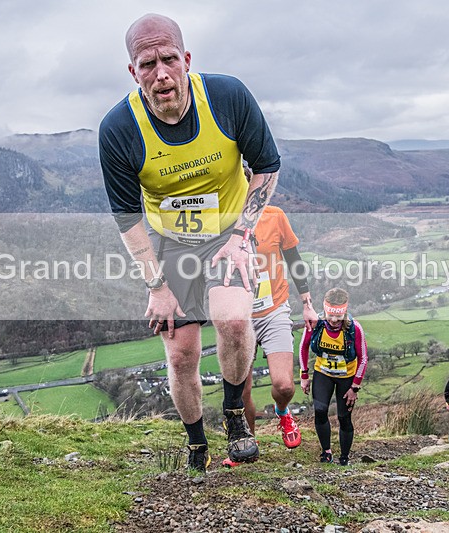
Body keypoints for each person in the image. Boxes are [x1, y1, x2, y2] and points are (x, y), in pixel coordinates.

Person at [99, 13, 280, 474]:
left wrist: (243, 236)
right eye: (146, 64)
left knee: (235, 321)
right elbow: (127, 217)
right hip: (172, 243)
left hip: (228, 236)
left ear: (186, 60)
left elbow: (267, 168)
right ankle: (197, 442)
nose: (160, 73)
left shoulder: (226, 96)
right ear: (133, 71)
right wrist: (156, 286)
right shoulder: (119, 129)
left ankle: (236, 413)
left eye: (168, 59)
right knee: (181, 355)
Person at [237, 203, 318, 458]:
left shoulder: (274, 215)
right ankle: (248, 444)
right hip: (240, 317)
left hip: (274, 311)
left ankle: (282, 413)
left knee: (284, 386)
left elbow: (293, 259)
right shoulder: (220, 217)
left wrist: (307, 304)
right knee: (243, 391)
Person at [299, 288, 368, 466]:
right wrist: (304, 375)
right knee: (320, 411)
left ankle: (344, 457)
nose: (335, 320)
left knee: (344, 417)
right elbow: (303, 347)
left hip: (347, 378)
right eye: (330, 315)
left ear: (345, 311)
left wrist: (355, 387)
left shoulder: (354, 328)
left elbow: (363, 358)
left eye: (339, 316)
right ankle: (326, 452)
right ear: (325, 310)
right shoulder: (316, 323)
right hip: (323, 374)